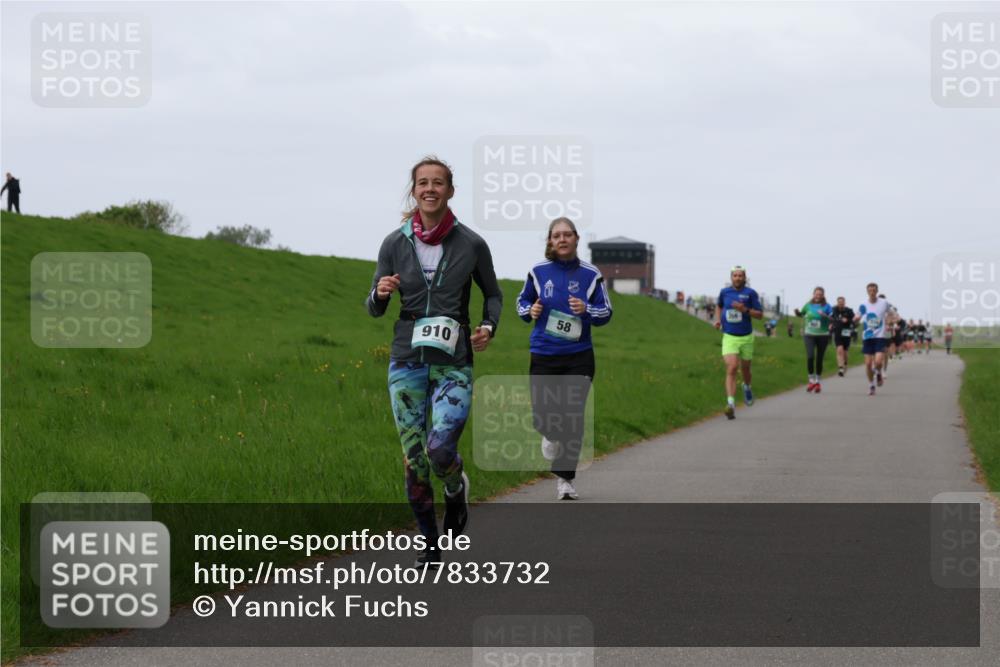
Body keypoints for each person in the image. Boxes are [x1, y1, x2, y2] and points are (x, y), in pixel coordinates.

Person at [367, 156, 502, 567]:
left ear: (450, 190)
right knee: (413, 456)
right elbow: (373, 306)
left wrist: (487, 327)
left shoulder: (471, 244)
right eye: (423, 182)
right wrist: (382, 293)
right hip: (407, 358)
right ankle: (429, 542)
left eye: (438, 183)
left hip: (453, 361)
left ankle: (455, 487)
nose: (430, 189)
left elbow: (493, 294)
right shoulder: (394, 242)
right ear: (414, 190)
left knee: (440, 447)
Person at [517, 217, 612, 500]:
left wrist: (586, 310)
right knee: (543, 416)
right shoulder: (538, 271)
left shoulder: (591, 274)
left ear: (576, 238)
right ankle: (548, 433)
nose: (561, 239)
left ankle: (565, 480)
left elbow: (606, 312)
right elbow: (521, 302)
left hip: (578, 356)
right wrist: (529, 311)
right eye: (556, 235)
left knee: (572, 417)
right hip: (544, 353)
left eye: (566, 234)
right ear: (550, 241)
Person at [715, 266, 763, 419]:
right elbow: (719, 305)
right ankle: (730, 404)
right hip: (729, 336)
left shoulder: (751, 293)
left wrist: (745, 310)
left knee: (746, 369)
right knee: (732, 367)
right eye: (735, 275)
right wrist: (718, 320)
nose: (737, 278)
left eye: (740, 275)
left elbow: (760, 315)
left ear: (745, 278)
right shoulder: (725, 292)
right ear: (731, 278)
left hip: (746, 337)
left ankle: (747, 387)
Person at [795, 287, 833, 393]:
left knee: (819, 358)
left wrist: (824, 315)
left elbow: (832, 319)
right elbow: (801, 315)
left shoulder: (827, 306)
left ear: (823, 295)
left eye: (820, 294)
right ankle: (811, 380)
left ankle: (818, 382)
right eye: (817, 294)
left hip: (823, 335)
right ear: (813, 294)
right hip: (809, 334)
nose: (818, 296)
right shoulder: (808, 305)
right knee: (810, 356)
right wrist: (797, 312)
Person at [855, 282, 889, 396]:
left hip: (879, 336)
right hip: (867, 336)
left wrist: (895, 319)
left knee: (878, 361)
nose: (872, 292)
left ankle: (878, 372)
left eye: (874, 290)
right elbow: (858, 315)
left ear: (877, 291)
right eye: (870, 290)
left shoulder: (883, 303)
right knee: (868, 364)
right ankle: (871, 385)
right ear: (867, 291)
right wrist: (856, 318)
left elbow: (892, 312)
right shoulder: (863, 304)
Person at [830, 296, 855, 376]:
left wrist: (848, 320)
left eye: (842, 302)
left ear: (844, 303)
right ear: (837, 303)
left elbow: (854, 320)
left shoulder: (849, 311)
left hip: (846, 332)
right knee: (839, 349)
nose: (840, 304)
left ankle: (845, 364)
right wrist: (830, 324)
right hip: (837, 331)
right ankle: (840, 368)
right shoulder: (833, 309)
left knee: (845, 352)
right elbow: (830, 318)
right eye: (839, 302)